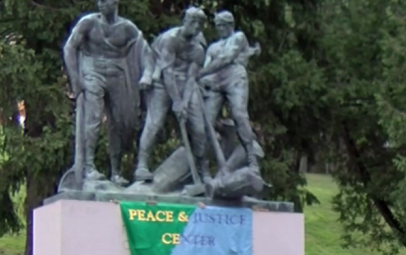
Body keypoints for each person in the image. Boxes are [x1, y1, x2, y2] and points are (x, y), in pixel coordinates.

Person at [62, 0, 146, 186]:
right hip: (92, 70)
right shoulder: (88, 23)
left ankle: (116, 172)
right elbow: (69, 48)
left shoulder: (127, 28)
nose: (100, 4)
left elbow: (142, 51)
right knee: (93, 118)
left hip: (117, 73)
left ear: (115, 3)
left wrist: (147, 74)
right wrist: (76, 79)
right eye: (98, 1)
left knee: (120, 122)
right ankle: (89, 167)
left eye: (105, 1)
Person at [135, 7, 210, 181]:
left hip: (186, 85)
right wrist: (176, 102)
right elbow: (167, 73)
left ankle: (202, 171)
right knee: (154, 124)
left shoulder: (198, 49)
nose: (196, 26)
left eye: (199, 24)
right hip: (162, 81)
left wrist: (183, 102)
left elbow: (192, 77)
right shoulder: (170, 39)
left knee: (199, 129)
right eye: (192, 22)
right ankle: (142, 165)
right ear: (185, 21)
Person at [199, 10, 260, 167]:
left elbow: (226, 58)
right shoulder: (212, 47)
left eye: (222, 25)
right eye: (217, 26)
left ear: (230, 25)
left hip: (235, 77)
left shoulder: (238, 37)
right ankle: (203, 166)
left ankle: (251, 157)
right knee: (206, 122)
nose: (219, 29)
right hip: (215, 80)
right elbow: (206, 68)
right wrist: (201, 80)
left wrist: (199, 74)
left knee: (239, 115)